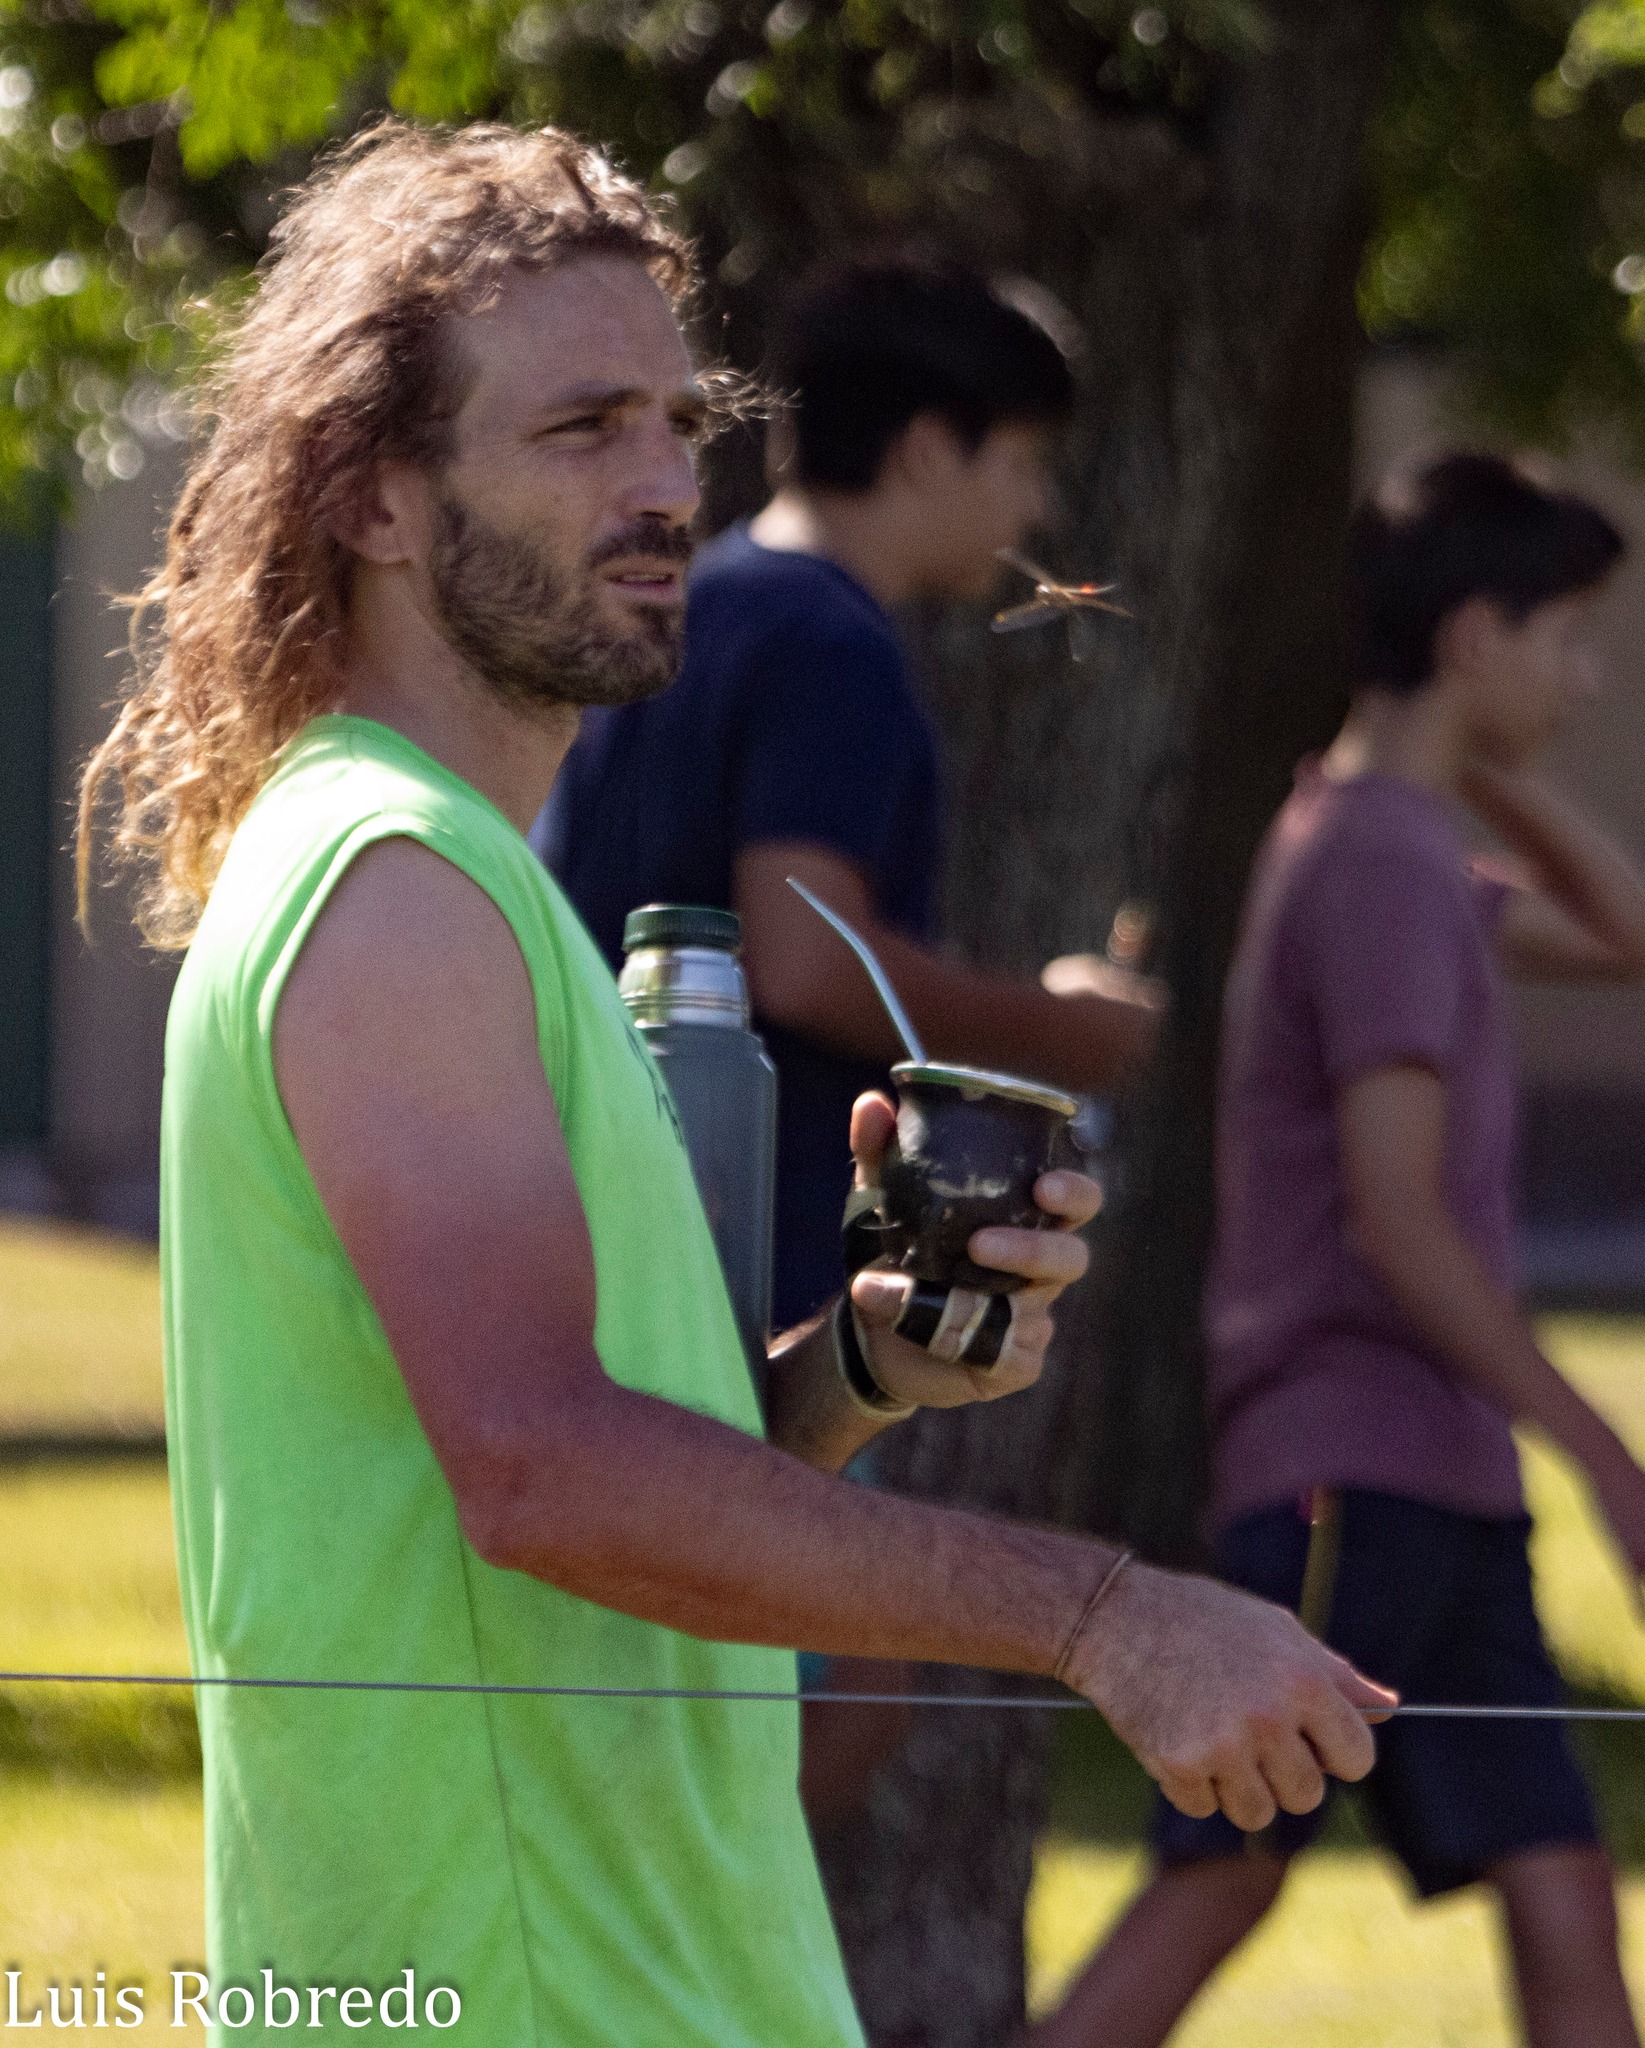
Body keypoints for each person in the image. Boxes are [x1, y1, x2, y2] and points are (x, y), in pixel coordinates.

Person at [78, 121, 1390, 2045]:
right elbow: (539, 1470)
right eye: (581, 428)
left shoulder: (460, 874)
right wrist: (1108, 1612)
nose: (664, 485)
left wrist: (853, 1365)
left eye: (677, 423)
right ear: (371, 493)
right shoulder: (393, 884)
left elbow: (573, 1466)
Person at [1030, 452, 1645, 2048]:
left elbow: (1632, 935)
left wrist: (1470, 754)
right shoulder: (1377, 864)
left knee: (1564, 1896)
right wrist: (1604, 1454)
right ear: (1474, 634)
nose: (1581, 677)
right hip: (1345, 1478)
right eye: (1564, 637)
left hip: (1442, 1478)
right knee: (1220, 1878)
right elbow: (1397, 1216)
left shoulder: (1401, 845)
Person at [543, 255, 1160, 1336]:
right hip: (746, 1257)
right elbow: (803, 961)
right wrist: (1058, 1031)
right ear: (924, 450)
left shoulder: (701, 598)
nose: (1038, 504)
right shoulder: (831, 643)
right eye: (1021, 462)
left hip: (608, 1215)